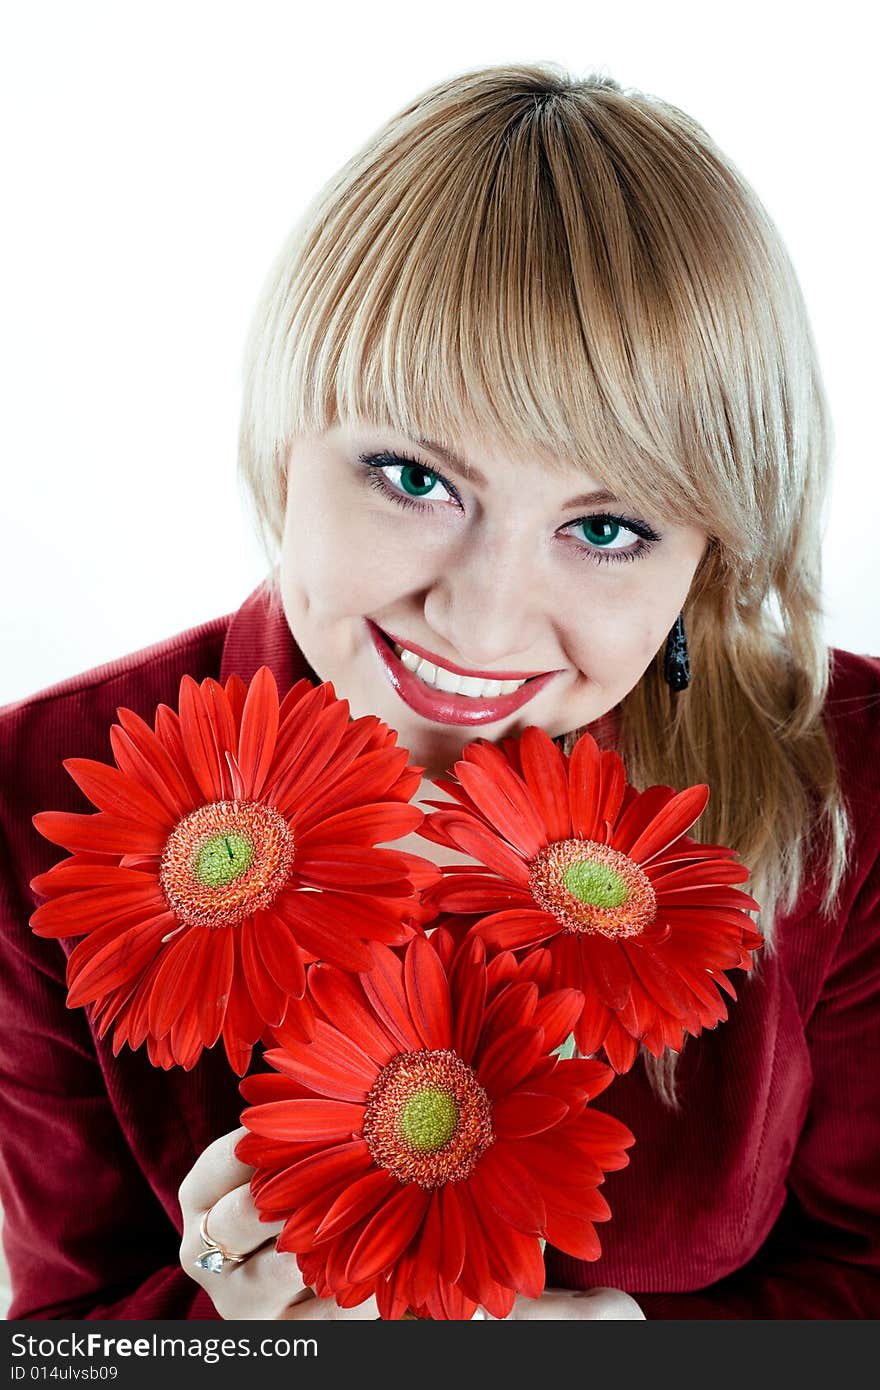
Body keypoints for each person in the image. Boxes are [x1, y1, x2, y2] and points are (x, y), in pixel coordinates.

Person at [1, 61, 878, 1321]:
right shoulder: (37, 791)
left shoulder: (853, 778)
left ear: (711, 554)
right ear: (286, 431)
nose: (477, 616)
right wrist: (231, 1346)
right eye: (414, 478)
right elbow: (59, 1341)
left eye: (610, 526)